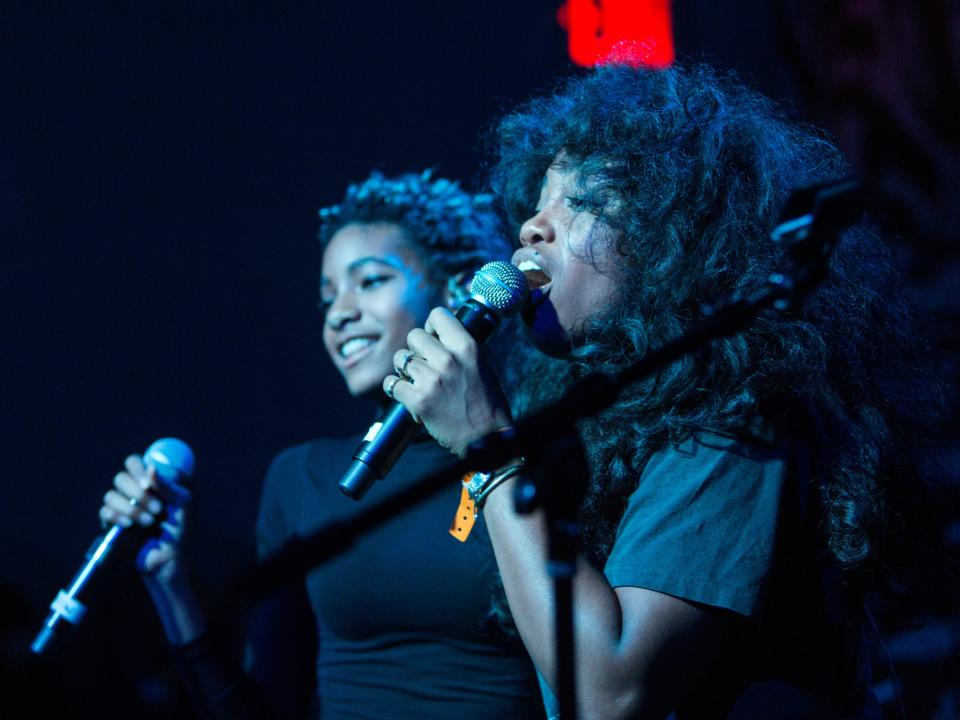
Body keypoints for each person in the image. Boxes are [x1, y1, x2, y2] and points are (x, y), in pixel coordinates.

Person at [384, 63, 946, 719]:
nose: (535, 226)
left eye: (586, 199)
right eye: (537, 203)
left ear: (674, 238)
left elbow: (613, 693)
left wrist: (489, 447)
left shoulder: (737, 422)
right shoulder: (595, 430)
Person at [98, 170, 546, 719]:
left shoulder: (532, 458)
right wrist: (172, 583)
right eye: (327, 297)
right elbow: (259, 708)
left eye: (371, 281)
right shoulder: (302, 477)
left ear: (456, 287)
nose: (339, 313)